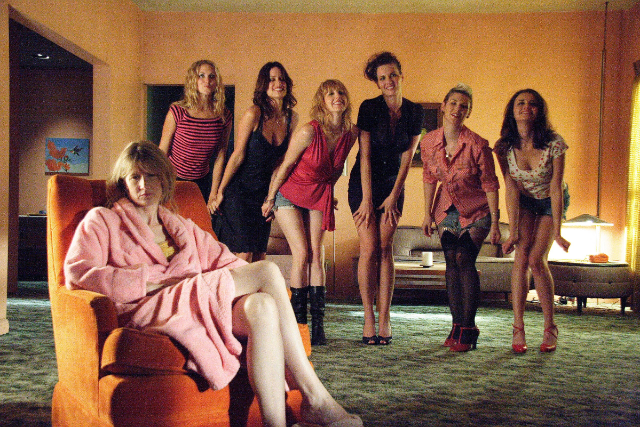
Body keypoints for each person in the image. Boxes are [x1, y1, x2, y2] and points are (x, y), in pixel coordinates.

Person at [64, 141, 362, 427]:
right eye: (135, 177)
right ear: (123, 182)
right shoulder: (103, 220)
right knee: (268, 272)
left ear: (164, 179)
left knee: (262, 305)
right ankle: (313, 395)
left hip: (193, 303)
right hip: (147, 307)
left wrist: (248, 284)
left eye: (151, 176)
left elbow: (227, 262)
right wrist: (148, 283)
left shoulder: (181, 226)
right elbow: (79, 272)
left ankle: (275, 422)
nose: (143, 184)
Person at [262, 80, 359, 346]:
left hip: (318, 193)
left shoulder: (350, 133)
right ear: (322, 102)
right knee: (302, 253)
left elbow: (337, 168)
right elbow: (285, 166)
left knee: (317, 254)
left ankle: (318, 327)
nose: (337, 97)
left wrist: (329, 192)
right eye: (330, 94)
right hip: (289, 193)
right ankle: (299, 325)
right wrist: (270, 198)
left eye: (341, 92)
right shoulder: (308, 131)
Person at [348, 52, 424, 346]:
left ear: (401, 76)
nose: (389, 81)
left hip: (394, 184)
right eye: (382, 78)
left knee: (385, 247)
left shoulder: (415, 111)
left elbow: (408, 158)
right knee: (369, 248)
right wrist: (367, 199)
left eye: (392, 75)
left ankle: (385, 318)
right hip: (364, 184)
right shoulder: (369, 108)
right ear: (378, 84)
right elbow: (364, 156)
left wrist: (394, 195)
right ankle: (368, 317)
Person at [421, 84, 501, 352]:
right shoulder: (429, 142)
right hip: (446, 209)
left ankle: (468, 327)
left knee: (464, 259)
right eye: (453, 103)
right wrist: (426, 214)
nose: (457, 109)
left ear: (469, 112)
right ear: (444, 106)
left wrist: (496, 223)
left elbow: (490, 184)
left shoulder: (478, 145)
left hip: (477, 210)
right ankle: (456, 325)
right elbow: (429, 178)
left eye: (464, 106)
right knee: (450, 264)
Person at [494, 89, 571, 354]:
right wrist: (513, 231)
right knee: (521, 256)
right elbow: (510, 187)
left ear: (540, 111)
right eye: (521, 102)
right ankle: (518, 327)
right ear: (512, 110)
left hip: (550, 199)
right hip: (525, 200)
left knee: (537, 260)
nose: (526, 107)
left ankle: (550, 327)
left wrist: (558, 232)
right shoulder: (503, 147)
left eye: (533, 103)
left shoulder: (554, 144)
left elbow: (556, 187)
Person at [211, 62, 298, 262]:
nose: (278, 83)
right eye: (272, 79)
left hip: (263, 195)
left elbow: (282, 163)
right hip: (239, 192)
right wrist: (220, 191)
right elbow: (237, 155)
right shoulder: (254, 113)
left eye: (281, 79)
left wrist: (272, 197)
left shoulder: (292, 118)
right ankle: (231, 285)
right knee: (244, 253)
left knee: (260, 255)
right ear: (263, 85)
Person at [159, 59, 232, 213]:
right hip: (173, 179)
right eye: (201, 76)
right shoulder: (178, 111)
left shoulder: (224, 116)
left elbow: (221, 155)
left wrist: (213, 193)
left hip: (201, 182)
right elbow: (162, 151)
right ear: (194, 79)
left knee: (197, 223)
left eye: (212, 76)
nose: (207, 81)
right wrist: (159, 184)